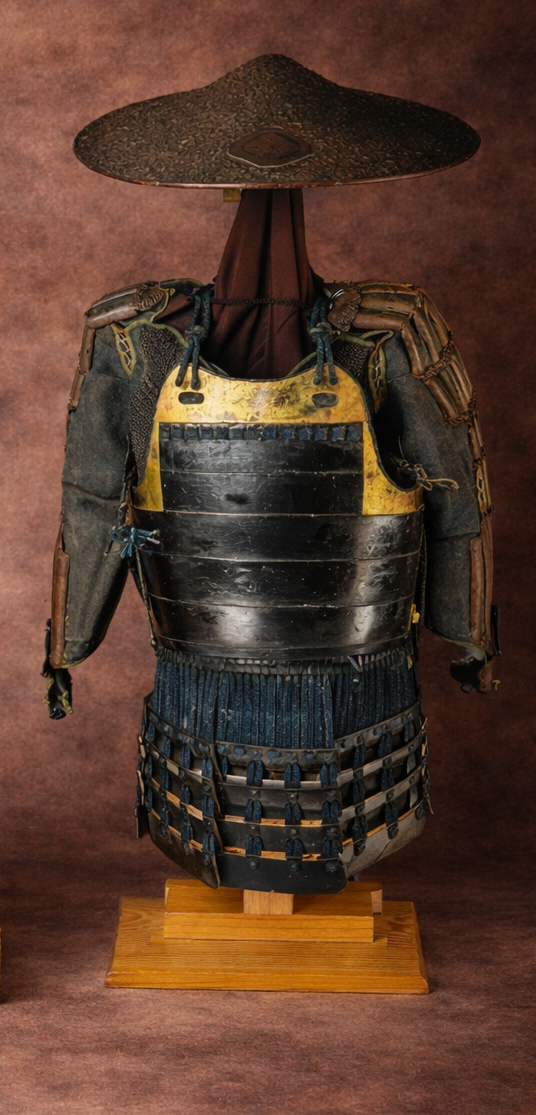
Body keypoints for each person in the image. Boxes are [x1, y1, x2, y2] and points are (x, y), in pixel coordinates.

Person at [44, 56, 497, 895]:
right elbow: (94, 501)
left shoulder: (385, 334)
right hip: (201, 688)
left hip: (355, 684)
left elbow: (454, 494)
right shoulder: (134, 337)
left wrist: (468, 629)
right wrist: (68, 640)